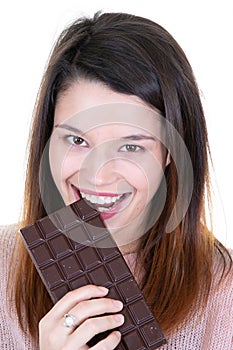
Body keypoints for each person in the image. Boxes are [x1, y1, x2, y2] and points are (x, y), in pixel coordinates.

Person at [0, 11, 232, 350]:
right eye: (77, 140)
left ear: (171, 153)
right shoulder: (2, 264)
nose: (98, 175)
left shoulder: (224, 295)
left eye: (131, 146)